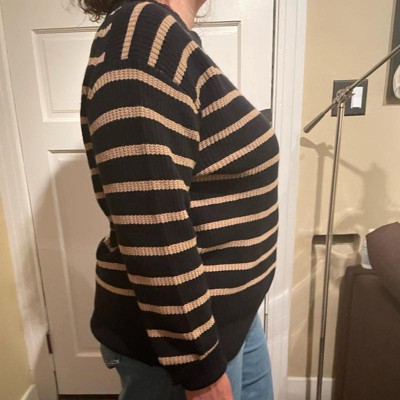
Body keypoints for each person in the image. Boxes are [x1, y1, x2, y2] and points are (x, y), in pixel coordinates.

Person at [78, 0, 279, 399]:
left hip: (229, 323)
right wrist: (200, 371)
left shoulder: (171, 40)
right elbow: (153, 227)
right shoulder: (142, 35)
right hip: (189, 346)